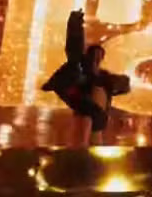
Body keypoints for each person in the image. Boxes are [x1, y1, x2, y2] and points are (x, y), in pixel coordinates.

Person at [43, 10, 130, 145]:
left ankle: (88, 142)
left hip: (88, 107)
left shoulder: (102, 77)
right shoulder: (79, 66)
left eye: (99, 58)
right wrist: (75, 23)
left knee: (95, 118)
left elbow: (121, 83)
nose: (96, 60)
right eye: (94, 57)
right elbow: (74, 46)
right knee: (92, 116)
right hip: (73, 91)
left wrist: (122, 84)